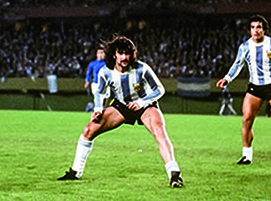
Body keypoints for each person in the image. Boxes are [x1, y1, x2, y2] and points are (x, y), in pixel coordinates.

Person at [58, 36, 183, 188]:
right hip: (122, 106)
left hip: (144, 105)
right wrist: (98, 109)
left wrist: (141, 102)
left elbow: (159, 89)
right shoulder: (105, 72)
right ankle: (75, 171)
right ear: (114, 54)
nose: (124, 57)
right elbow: (100, 93)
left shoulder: (142, 69)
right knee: (88, 130)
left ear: (132, 54)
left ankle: (174, 174)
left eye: (128, 53)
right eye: (121, 53)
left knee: (159, 131)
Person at [216, 15, 271, 167]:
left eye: (259, 27)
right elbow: (237, 65)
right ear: (250, 29)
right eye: (253, 27)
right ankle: (247, 156)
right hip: (255, 87)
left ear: (264, 30)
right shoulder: (245, 47)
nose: (255, 30)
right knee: (246, 120)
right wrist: (227, 78)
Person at [84, 46, 106, 113]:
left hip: (105, 84)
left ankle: (102, 110)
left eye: (102, 53)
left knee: (104, 98)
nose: (101, 54)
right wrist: (87, 81)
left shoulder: (106, 64)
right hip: (96, 83)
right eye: (99, 53)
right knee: (97, 98)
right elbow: (88, 73)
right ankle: (97, 112)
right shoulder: (92, 64)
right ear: (97, 54)